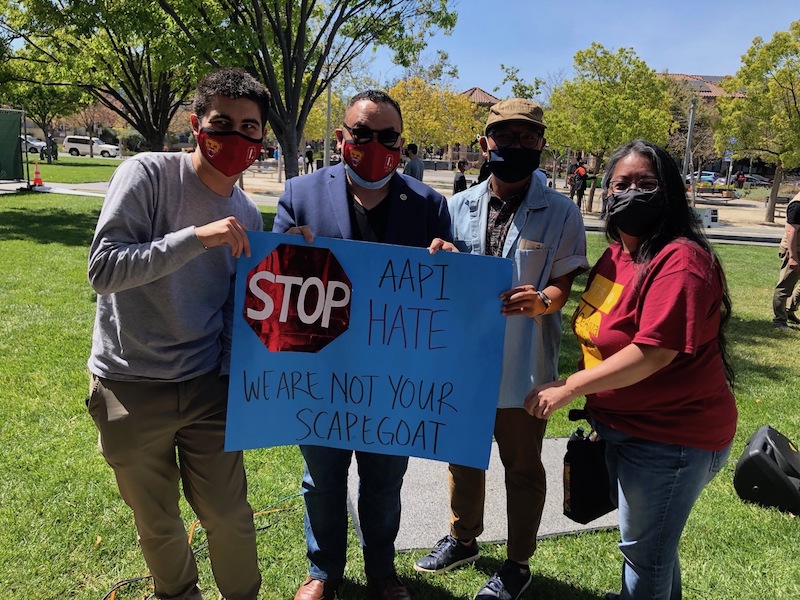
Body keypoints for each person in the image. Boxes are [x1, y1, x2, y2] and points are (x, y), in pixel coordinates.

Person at [524, 139, 737, 600]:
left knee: (645, 555)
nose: (631, 193)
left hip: (671, 438)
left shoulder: (680, 261)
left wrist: (570, 386)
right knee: (652, 548)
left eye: (646, 183)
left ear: (670, 193)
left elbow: (653, 352)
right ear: (606, 193)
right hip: (624, 426)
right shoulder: (618, 253)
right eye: (621, 184)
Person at [85, 67, 269, 600]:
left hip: (207, 382)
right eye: (223, 122)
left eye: (250, 127)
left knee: (230, 513)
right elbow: (104, 270)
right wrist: (194, 238)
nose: (237, 137)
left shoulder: (248, 214)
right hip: (130, 382)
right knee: (157, 517)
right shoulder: (147, 174)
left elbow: (241, 305)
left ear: (261, 140)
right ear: (196, 125)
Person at [273, 89, 452, 600]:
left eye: (388, 136)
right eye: (363, 133)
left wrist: (450, 260)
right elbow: (276, 287)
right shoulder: (299, 195)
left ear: (401, 142)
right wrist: (288, 256)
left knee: (383, 483)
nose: (375, 145)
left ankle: (381, 573)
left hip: (393, 378)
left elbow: (444, 296)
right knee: (321, 480)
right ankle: (322, 572)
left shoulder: (428, 205)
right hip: (321, 371)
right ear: (341, 137)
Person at [417, 98, 588, 600]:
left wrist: (541, 301)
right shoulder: (456, 207)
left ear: (541, 145)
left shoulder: (561, 212)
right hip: (465, 365)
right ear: (484, 144)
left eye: (527, 138)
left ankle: (517, 562)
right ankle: (463, 538)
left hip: (523, 366)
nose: (515, 146)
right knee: (463, 459)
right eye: (505, 137)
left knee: (522, 466)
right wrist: (441, 257)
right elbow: (440, 279)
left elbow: (563, 282)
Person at [772, 190, 800, 330]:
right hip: (794, 251)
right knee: (784, 287)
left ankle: (789, 310)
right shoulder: (797, 205)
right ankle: (780, 320)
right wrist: (793, 256)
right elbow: (791, 231)